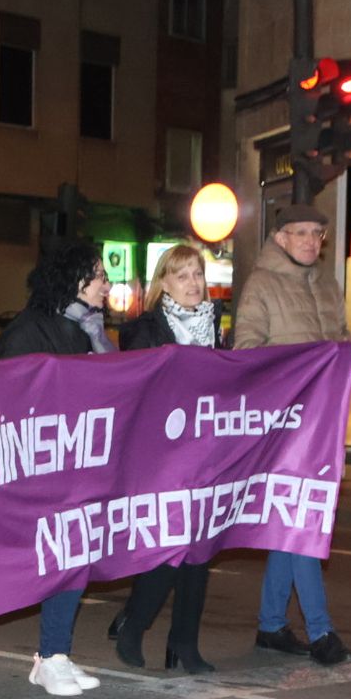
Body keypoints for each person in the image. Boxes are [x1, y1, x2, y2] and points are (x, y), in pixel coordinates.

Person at [232, 203, 351, 666]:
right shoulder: (262, 285)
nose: (310, 241)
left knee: (291, 523)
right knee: (302, 520)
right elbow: (245, 350)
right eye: (300, 233)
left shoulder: (326, 283)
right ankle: (321, 631)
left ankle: (270, 625)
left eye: (317, 234)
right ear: (280, 238)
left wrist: (350, 360)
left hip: (322, 422)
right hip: (283, 425)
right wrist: (295, 372)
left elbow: (341, 337)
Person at [0, 238, 112, 697]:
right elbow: (3, 402)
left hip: (79, 466)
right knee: (58, 559)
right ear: (74, 279)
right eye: (99, 275)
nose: (107, 283)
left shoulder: (90, 331)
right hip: (42, 470)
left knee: (75, 557)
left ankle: (55, 654)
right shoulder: (28, 332)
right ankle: (49, 656)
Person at [113, 244, 221, 675]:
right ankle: (134, 623)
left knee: (200, 548)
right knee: (169, 544)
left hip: (206, 451)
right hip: (161, 454)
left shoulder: (214, 327)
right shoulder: (146, 328)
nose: (193, 283)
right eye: (182, 276)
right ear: (163, 283)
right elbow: (139, 387)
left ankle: (184, 642)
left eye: (198, 274)